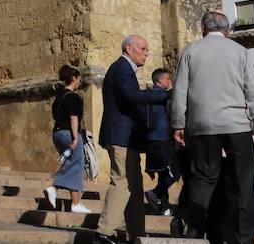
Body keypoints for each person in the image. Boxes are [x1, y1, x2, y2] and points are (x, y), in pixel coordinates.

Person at [170, 11, 254, 244]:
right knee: (242, 183)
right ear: (227, 30)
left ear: (203, 28)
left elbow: (180, 91)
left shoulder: (191, 51)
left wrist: (177, 124)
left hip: (202, 126)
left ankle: (196, 229)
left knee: (203, 180)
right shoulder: (240, 51)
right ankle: (243, 237)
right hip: (237, 126)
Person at [94, 35, 169, 244]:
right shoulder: (120, 68)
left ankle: (133, 231)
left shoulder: (127, 70)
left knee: (135, 185)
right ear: (129, 48)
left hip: (129, 138)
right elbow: (133, 96)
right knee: (122, 181)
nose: (147, 53)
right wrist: (164, 94)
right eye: (143, 48)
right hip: (121, 136)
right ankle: (104, 231)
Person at [44, 64, 92, 215]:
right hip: (68, 134)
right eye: (79, 79)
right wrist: (76, 137)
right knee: (77, 162)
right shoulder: (72, 97)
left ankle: (75, 203)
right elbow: (73, 117)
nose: (80, 83)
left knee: (73, 164)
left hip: (57, 134)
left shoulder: (59, 96)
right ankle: (54, 188)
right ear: (73, 78)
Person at [142, 67, 178, 216]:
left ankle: (164, 205)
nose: (169, 81)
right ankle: (155, 193)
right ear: (159, 80)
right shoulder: (162, 95)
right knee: (174, 171)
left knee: (163, 172)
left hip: (151, 139)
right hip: (162, 138)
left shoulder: (148, 95)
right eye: (167, 79)